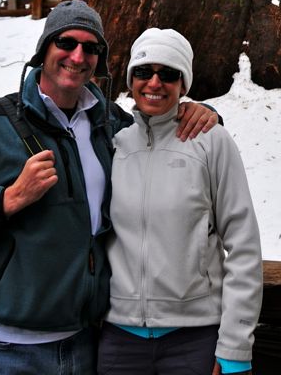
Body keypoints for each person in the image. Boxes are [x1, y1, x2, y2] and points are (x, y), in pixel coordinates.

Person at [0, 0, 217, 375]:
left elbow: (165, 131)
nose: (78, 56)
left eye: (91, 47)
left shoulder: (113, 125)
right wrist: (9, 198)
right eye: (66, 42)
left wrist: (203, 113)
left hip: (81, 348)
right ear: (44, 49)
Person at [98, 28, 262, 375]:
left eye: (168, 74)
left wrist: (235, 347)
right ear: (131, 79)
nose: (154, 83)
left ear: (183, 84)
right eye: (144, 72)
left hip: (194, 340)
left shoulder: (211, 141)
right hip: (119, 343)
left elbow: (243, 245)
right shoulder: (113, 145)